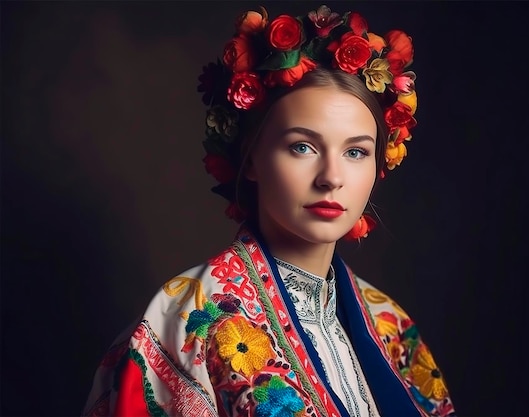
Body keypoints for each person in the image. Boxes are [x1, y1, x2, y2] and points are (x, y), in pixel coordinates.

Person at [83, 5, 455, 417]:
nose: (331, 177)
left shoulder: (391, 325)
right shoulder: (189, 320)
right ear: (253, 159)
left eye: (355, 152)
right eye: (302, 147)